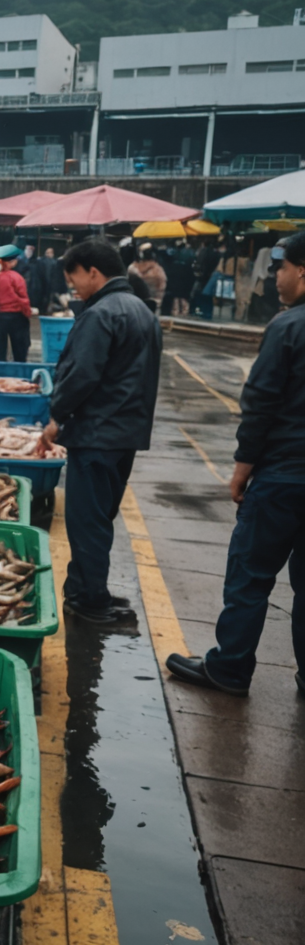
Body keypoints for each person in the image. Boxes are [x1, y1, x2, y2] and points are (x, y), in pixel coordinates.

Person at [166, 234, 305, 696]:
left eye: (280, 269)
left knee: (249, 577)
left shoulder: (289, 327)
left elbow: (261, 401)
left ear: (302, 271)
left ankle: (229, 668)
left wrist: (242, 469)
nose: (274, 277)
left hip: (283, 475)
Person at [36, 238, 162, 624]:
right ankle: (87, 589)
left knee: (86, 521)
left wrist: (57, 414)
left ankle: (90, 600)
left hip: (96, 434)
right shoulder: (142, 310)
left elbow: (81, 375)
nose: (72, 286)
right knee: (99, 518)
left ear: (93, 271)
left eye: (73, 277)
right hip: (126, 434)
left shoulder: (101, 313)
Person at [0, 245, 33, 362]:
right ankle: (18, 374)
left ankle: (0, 375)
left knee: (0, 352)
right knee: (19, 351)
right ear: (12, 262)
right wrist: (27, 313)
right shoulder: (17, 278)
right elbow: (23, 299)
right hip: (17, 317)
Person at [131, 245, 168, 312]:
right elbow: (163, 283)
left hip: (136, 300)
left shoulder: (133, 267)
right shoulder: (158, 269)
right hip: (154, 300)